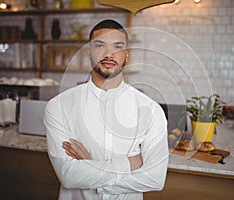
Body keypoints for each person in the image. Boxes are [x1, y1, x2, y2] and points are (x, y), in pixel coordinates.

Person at [44, 19, 169, 200]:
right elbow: (68, 176)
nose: (109, 54)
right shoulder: (58, 106)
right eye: (100, 45)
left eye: (117, 47)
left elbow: (155, 179)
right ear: (89, 52)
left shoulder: (151, 110)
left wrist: (90, 167)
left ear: (126, 55)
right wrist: (130, 164)